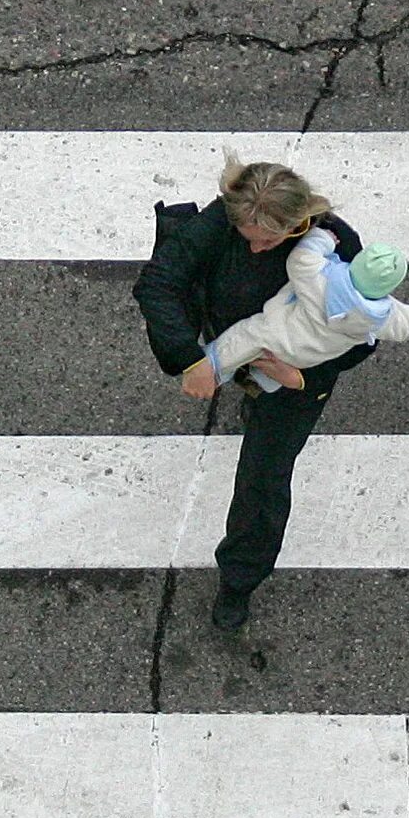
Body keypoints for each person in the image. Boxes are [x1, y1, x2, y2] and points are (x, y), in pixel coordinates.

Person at [134, 152, 367, 630]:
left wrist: (298, 378)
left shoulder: (340, 247)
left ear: (298, 223)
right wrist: (191, 358)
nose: (258, 249)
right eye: (249, 239)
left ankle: (239, 580)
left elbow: (366, 331)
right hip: (230, 339)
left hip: (297, 374)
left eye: (271, 240)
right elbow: (157, 283)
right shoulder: (221, 219)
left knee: (264, 481)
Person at [186, 237, 409, 400]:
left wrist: (322, 238)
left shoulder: (320, 279)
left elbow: (300, 259)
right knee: (269, 360)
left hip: (278, 333)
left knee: (244, 338)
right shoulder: (382, 317)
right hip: (307, 358)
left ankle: (213, 367)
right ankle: (267, 380)